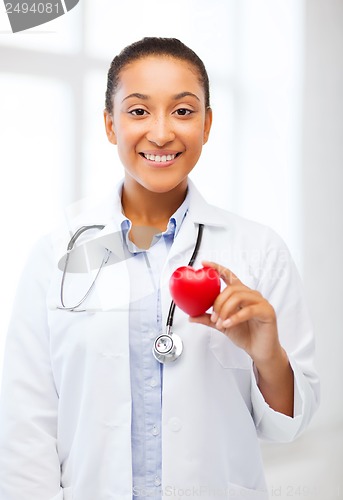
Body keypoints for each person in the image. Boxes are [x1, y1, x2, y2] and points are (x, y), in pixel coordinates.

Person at [0, 37, 319, 500]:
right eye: (138, 111)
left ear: (208, 124)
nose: (162, 132)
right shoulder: (58, 253)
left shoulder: (259, 250)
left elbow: (291, 427)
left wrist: (268, 355)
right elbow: (25, 420)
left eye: (184, 111)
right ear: (110, 125)